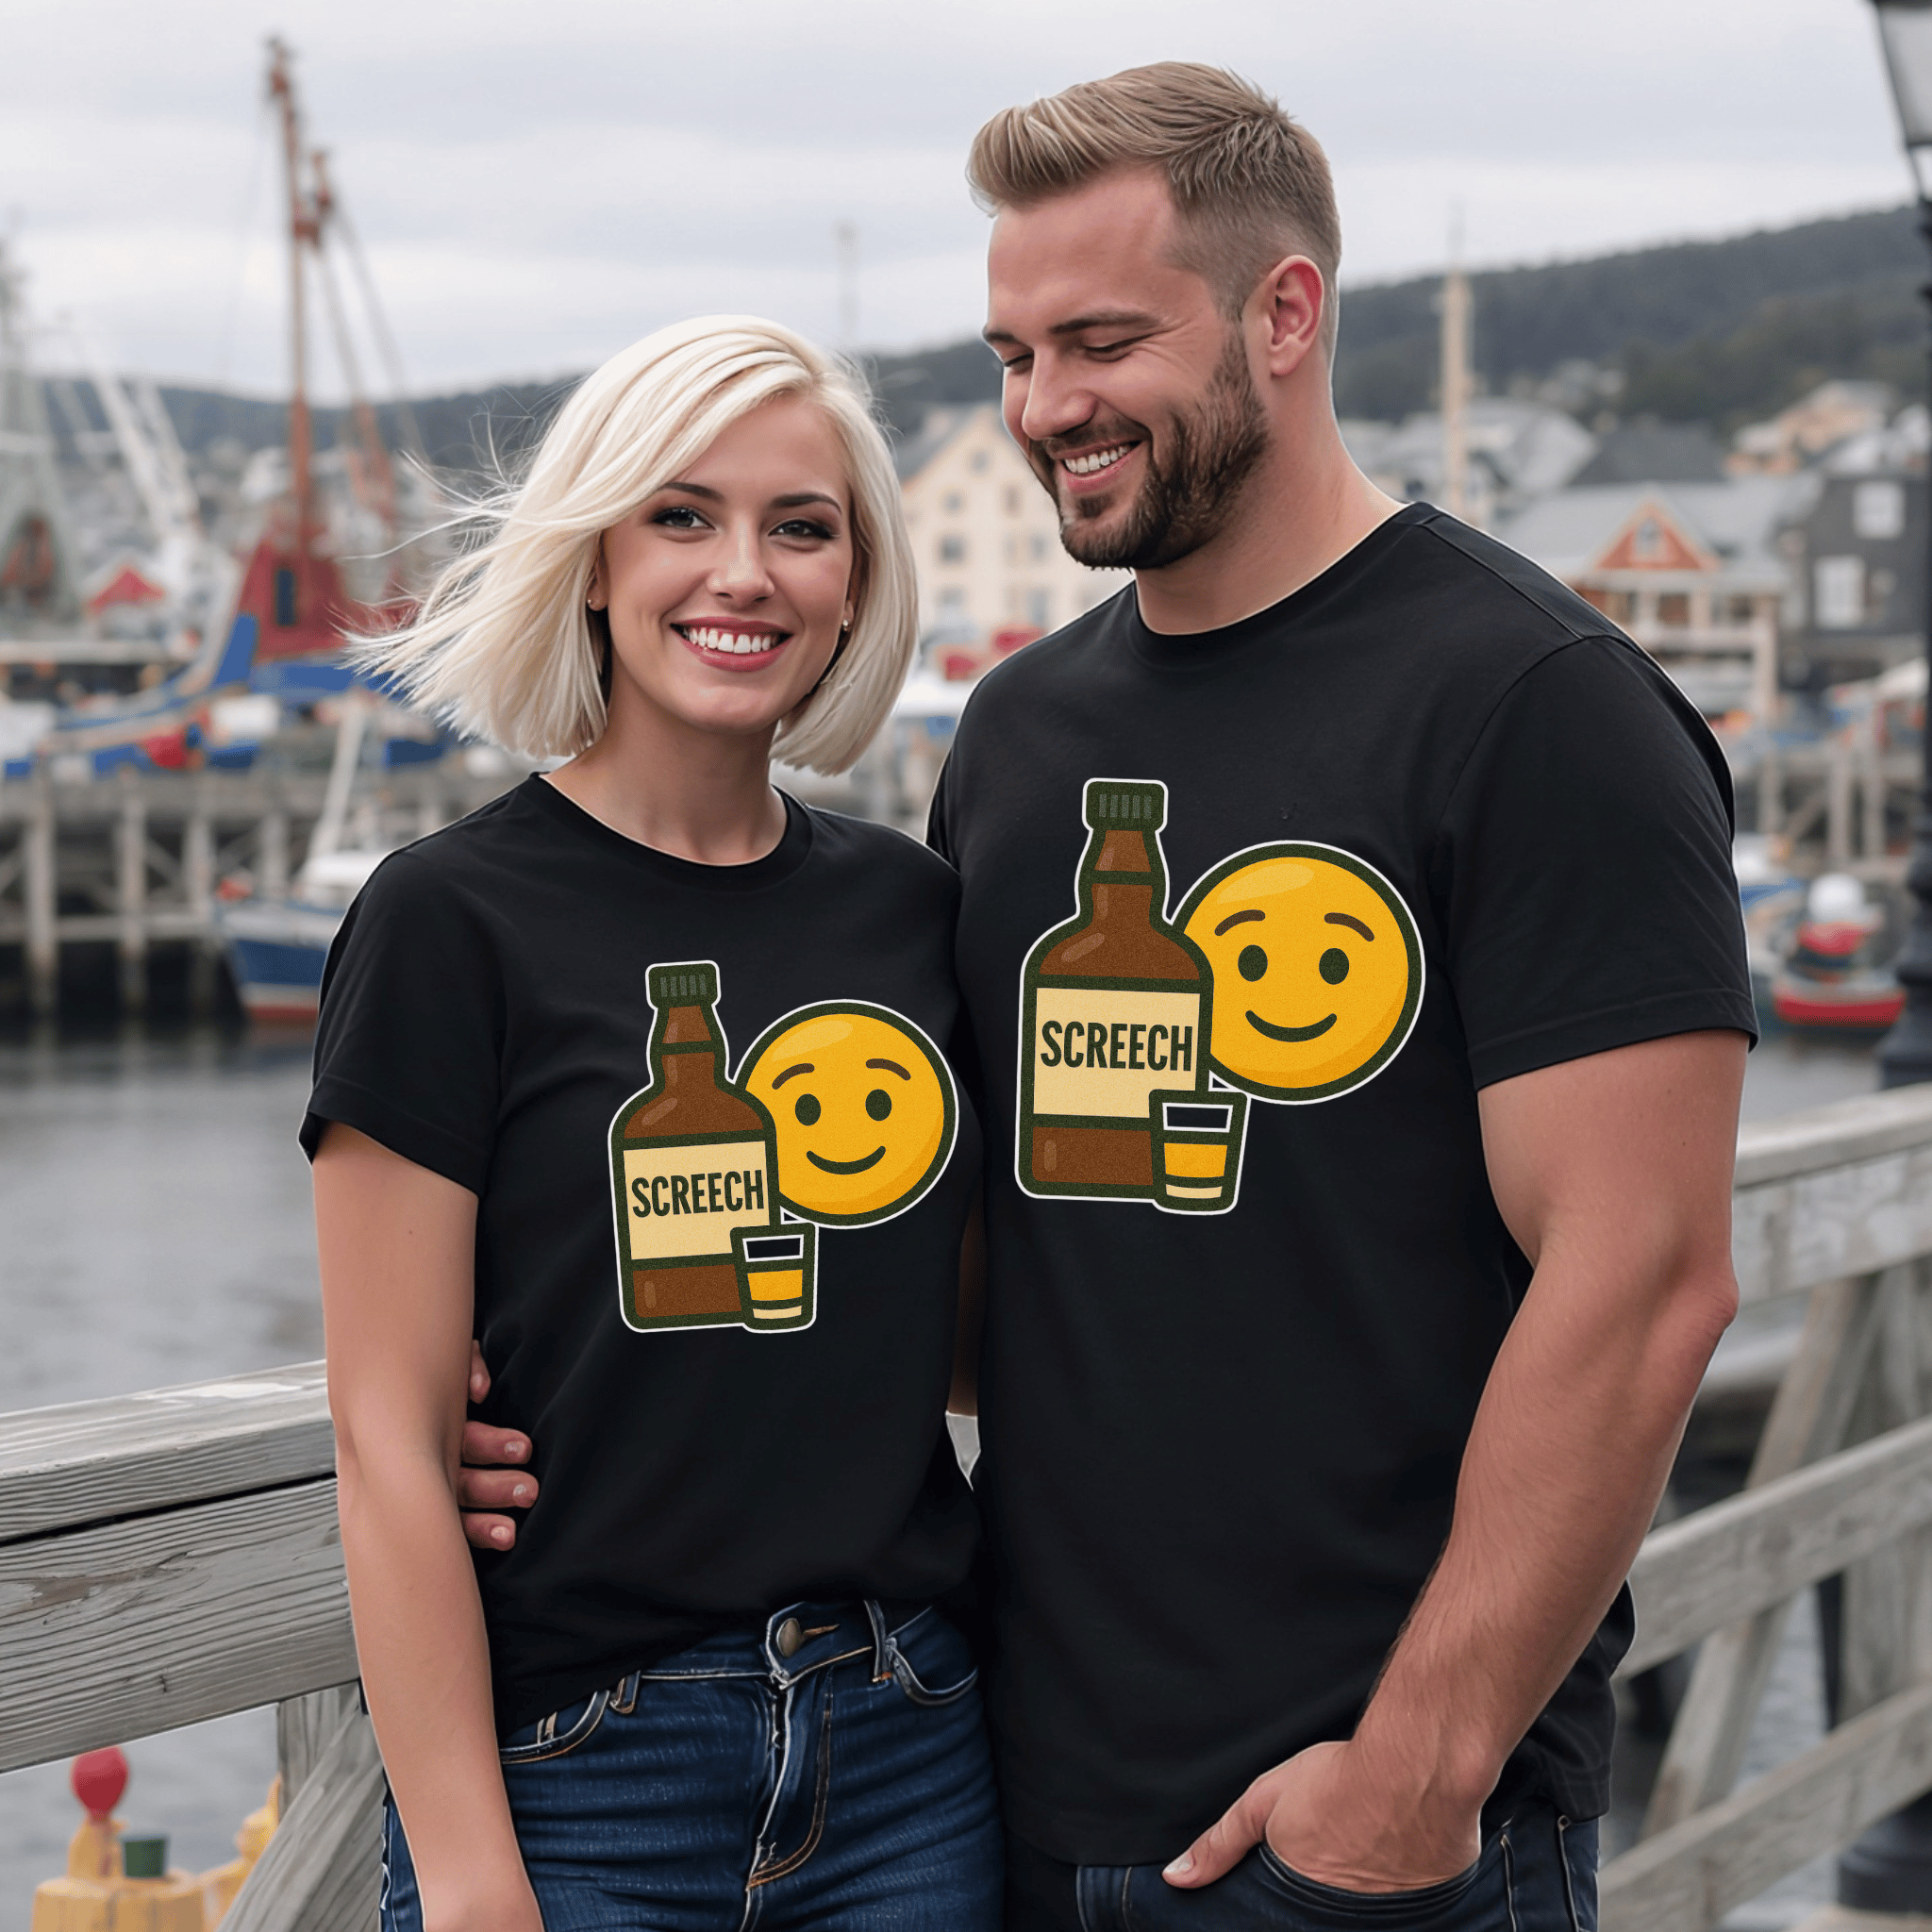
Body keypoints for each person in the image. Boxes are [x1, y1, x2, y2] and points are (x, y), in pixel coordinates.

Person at [462, 66, 1757, 1932]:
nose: (1042, 404)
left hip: (1364, 1832)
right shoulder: (1020, 734)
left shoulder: (1532, 702)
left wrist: (1414, 1773)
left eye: (1098, 339)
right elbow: (970, 1249)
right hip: (991, 1784)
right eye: (1009, 350)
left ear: (1284, 314)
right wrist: (536, 1380)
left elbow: (1643, 1282)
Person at [307, 316, 1000, 1932]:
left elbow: (954, 1333)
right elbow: (387, 1443)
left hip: (911, 1749)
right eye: (681, 516)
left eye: (800, 527)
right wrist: (474, 1873)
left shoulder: (915, 916)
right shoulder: (444, 921)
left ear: (854, 582)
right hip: (580, 1766)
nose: (742, 572)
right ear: (595, 561)